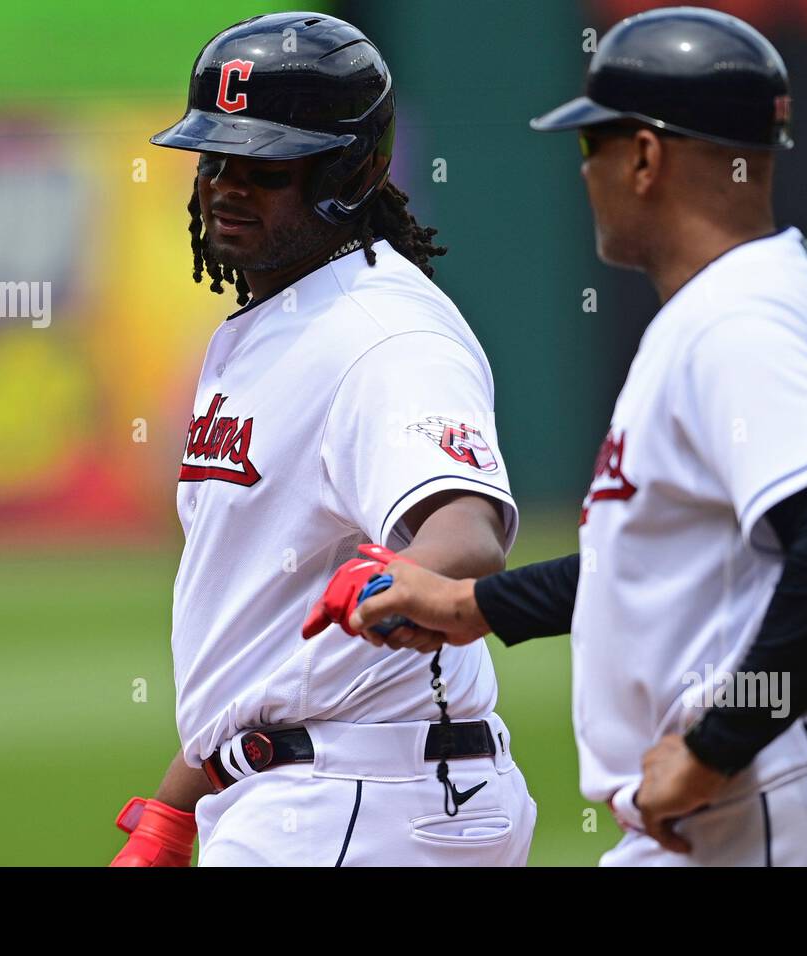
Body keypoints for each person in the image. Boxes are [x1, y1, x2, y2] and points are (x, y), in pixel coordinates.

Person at [345, 6, 807, 867]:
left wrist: (715, 747)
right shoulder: (754, 296)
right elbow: (673, 563)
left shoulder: (738, 317)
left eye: (593, 145)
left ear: (644, 157)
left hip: (780, 804)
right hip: (778, 802)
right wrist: (471, 606)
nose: (583, 170)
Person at [108, 12, 535, 867]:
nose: (228, 183)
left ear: (350, 168)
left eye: (265, 163)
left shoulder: (384, 332)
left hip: (363, 801)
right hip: (311, 793)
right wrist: (173, 809)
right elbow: (257, 641)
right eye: (214, 156)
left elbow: (468, 532)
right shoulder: (269, 324)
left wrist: (402, 574)